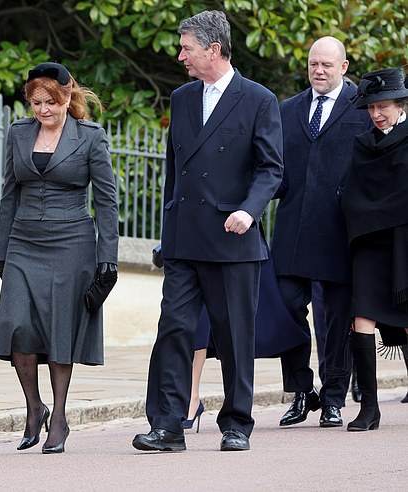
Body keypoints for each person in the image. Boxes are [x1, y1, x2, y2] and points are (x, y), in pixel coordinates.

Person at [132, 10, 283, 453]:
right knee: (174, 329)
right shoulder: (180, 98)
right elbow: (174, 174)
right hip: (185, 239)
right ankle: (167, 425)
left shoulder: (258, 99)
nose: (181, 56)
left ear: (213, 50)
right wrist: (167, 229)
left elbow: (271, 169)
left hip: (233, 237)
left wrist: (249, 211)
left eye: (187, 48)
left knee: (235, 336)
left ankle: (237, 423)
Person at [0, 62, 119, 454]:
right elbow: (9, 191)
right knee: (17, 326)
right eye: (35, 102)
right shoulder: (18, 133)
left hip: (71, 242)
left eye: (50, 102)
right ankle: (34, 407)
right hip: (24, 241)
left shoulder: (91, 137)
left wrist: (107, 259)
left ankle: (59, 416)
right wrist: (0, 250)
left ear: (66, 98)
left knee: (61, 329)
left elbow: (106, 200)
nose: (42, 110)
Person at [270, 37, 371, 428]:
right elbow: (274, 169)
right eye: (314, 64)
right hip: (292, 230)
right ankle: (301, 391)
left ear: (344, 67)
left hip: (340, 232)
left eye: (328, 64)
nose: (319, 71)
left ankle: (333, 398)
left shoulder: (361, 109)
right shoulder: (288, 109)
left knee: (336, 320)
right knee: (287, 311)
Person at [341, 67, 408, 431]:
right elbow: (353, 193)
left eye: (383, 106)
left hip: (404, 241)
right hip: (369, 241)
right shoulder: (363, 144)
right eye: (371, 108)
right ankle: (369, 406)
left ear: (400, 105)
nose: (376, 114)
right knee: (361, 318)